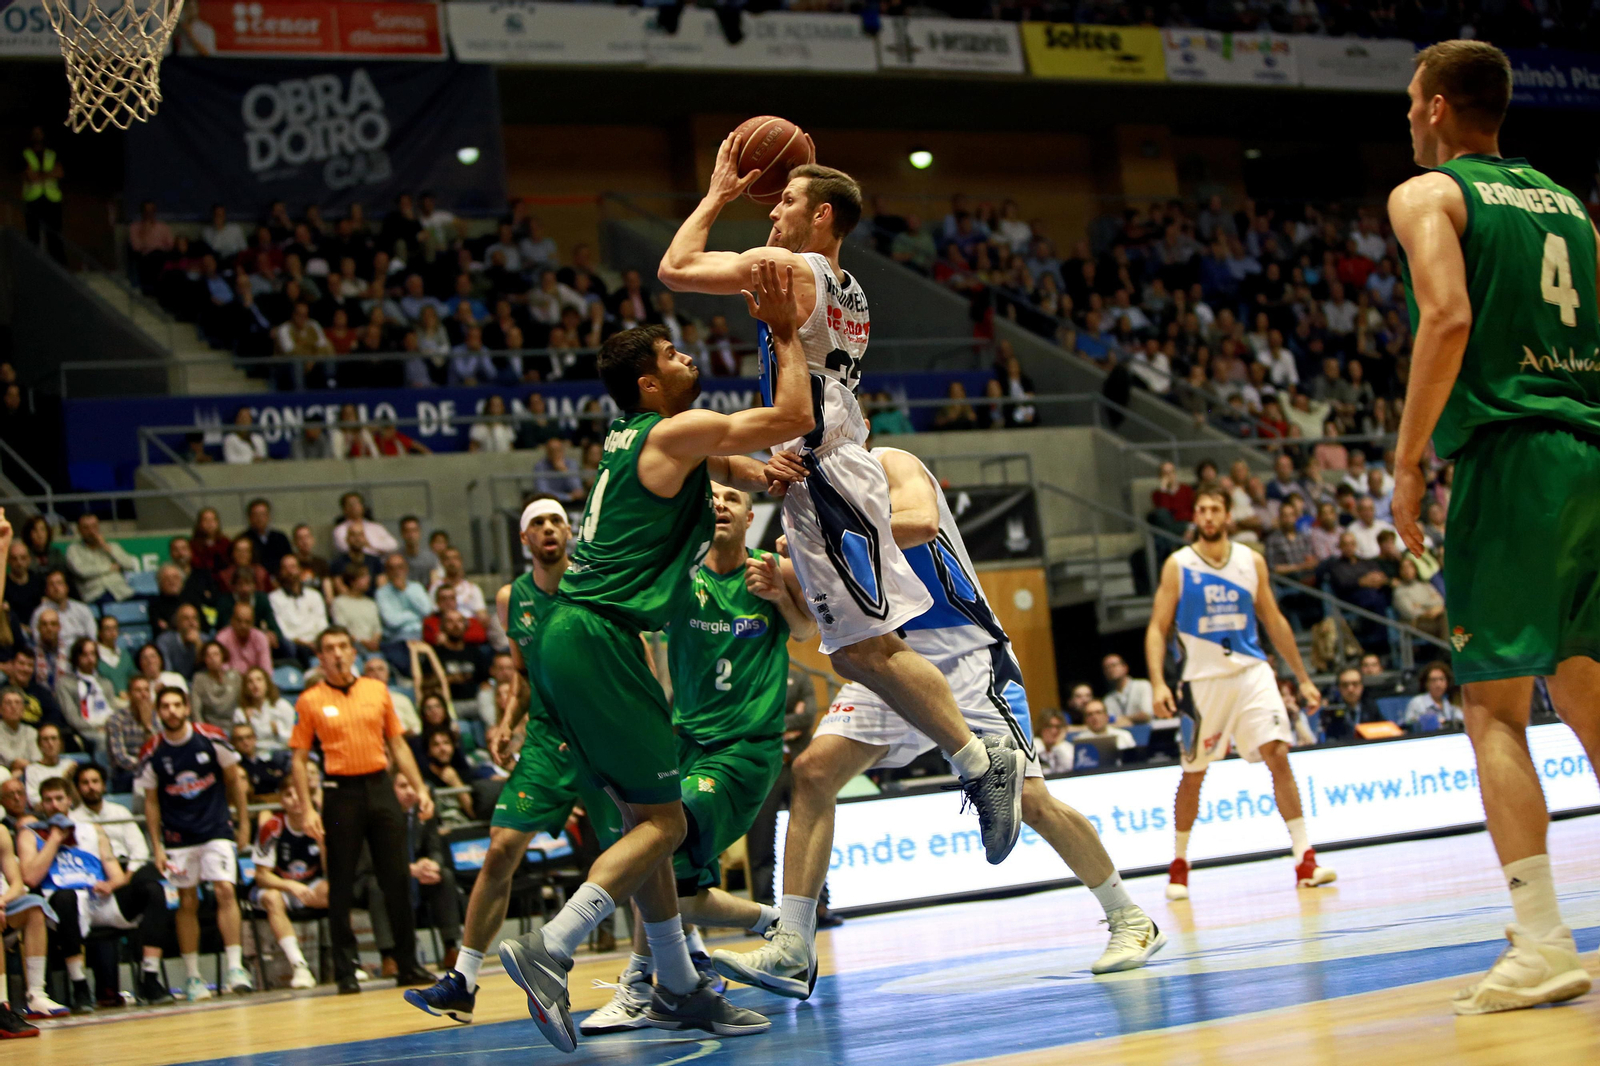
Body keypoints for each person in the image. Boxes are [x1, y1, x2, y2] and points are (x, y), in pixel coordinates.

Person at [660, 132, 1024, 904]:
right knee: (862, 651)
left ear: (822, 215)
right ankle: (973, 761)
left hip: (826, 471)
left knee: (867, 649)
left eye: (786, 199)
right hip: (826, 462)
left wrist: (721, 193)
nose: (773, 210)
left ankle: (978, 760)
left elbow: (676, 269)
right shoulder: (847, 285)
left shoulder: (794, 268)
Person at [498, 263, 836, 1051]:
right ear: (650, 384)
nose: (689, 359)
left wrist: (767, 473)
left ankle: (678, 986)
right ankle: (551, 946)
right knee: (666, 821)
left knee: (644, 816)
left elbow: (739, 468)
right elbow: (790, 412)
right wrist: (785, 330)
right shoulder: (676, 429)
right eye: (675, 355)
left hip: (569, 638)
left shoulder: (648, 443)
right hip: (598, 635)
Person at [715, 446, 1163, 998]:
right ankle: (793, 947)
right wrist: (789, 586)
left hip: (967, 657)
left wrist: (829, 538)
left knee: (1034, 802)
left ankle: (1129, 917)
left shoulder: (889, 463)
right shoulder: (806, 502)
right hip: (890, 660)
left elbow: (922, 523)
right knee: (812, 773)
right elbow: (812, 626)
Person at [1389, 42, 1600, 1016]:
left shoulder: (1428, 195)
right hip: (1589, 452)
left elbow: (1446, 316)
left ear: (1434, 107)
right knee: (1588, 688)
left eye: (1408, 104)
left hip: (1511, 462)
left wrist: (1404, 458)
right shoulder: (1566, 204)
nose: (1405, 119)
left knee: (1495, 708)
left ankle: (1542, 939)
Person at [586, 482, 814, 1032]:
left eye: (731, 497)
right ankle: (769, 925)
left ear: (749, 514)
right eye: (709, 497)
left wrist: (780, 599)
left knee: (657, 848)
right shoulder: (680, 574)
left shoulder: (773, 568)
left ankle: (640, 986)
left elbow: (808, 630)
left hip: (741, 749)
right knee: (667, 880)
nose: (719, 504)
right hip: (682, 742)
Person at [405, 500, 618, 1025]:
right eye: (537, 525)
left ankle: (681, 956)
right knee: (500, 849)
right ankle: (463, 979)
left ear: (569, 533)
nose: (548, 530)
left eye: (556, 522)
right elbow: (521, 674)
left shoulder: (593, 582)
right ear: (525, 540)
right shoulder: (511, 599)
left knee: (634, 853)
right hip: (546, 741)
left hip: (602, 736)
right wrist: (506, 722)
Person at [1146, 485, 1336, 902]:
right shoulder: (1178, 564)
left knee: (1278, 754)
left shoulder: (1252, 561)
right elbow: (1158, 627)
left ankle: (1305, 858)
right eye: (1201, 510)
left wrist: (1302, 677)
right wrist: (1159, 681)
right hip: (1202, 680)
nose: (1208, 516)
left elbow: (1275, 620)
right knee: (1194, 774)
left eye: (1214, 509)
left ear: (1229, 516)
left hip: (1252, 671)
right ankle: (1179, 863)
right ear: (1195, 517)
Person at [289, 625, 436, 993]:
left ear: (353, 652)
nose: (337, 653)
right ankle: (345, 970)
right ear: (320, 657)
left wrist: (419, 788)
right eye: (329, 649)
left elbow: (399, 745)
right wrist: (307, 808)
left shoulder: (377, 690)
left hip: (379, 786)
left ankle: (407, 964)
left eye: (343, 646)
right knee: (340, 880)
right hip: (340, 793)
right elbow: (298, 758)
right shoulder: (309, 699)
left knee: (397, 877)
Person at [137, 685, 254, 1001]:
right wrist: (157, 846)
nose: (172, 711)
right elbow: (150, 802)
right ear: (158, 712)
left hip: (216, 829)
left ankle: (235, 968)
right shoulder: (152, 751)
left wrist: (242, 824)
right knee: (186, 901)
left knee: (225, 890)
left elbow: (234, 782)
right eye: (165, 706)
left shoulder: (211, 737)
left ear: (187, 707)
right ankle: (192, 977)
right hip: (177, 837)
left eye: (177, 705)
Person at [18, 777, 129, 1014]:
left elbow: (117, 875)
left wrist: (110, 884)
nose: (55, 805)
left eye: (59, 798)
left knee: (149, 887)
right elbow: (30, 878)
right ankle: (79, 984)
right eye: (48, 800)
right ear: (42, 805)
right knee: (66, 898)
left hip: (96, 899)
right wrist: (55, 838)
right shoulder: (31, 834)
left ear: (69, 800)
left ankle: (151, 978)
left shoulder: (92, 830)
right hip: (57, 905)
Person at [69, 764, 173, 1007]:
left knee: (154, 888)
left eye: (95, 781)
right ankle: (81, 988)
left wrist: (120, 880)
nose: (91, 787)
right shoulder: (72, 821)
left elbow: (139, 852)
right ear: (77, 788)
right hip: (90, 892)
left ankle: (150, 978)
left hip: (124, 884)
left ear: (104, 785)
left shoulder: (120, 812)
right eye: (85, 782)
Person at [249, 781, 325, 989]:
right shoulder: (272, 827)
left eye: (299, 794)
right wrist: (290, 886)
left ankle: (349, 962)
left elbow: (330, 870)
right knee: (272, 899)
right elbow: (261, 876)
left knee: (336, 892)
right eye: (289, 795)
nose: (295, 800)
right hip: (278, 886)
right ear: (282, 801)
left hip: (311, 884)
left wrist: (322, 842)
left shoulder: (322, 822)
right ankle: (299, 966)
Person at [0, 820, 47, 1031]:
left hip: (3, 907)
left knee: (35, 909)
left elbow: (18, 884)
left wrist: (2, 900)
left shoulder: (1, 833)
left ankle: (37, 994)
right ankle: (1, 1007)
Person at [65, 513, 138, 604]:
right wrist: (110, 568)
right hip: (96, 595)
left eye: (94, 526)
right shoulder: (74, 550)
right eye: (86, 528)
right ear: (79, 530)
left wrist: (106, 547)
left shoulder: (112, 546)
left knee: (153, 601)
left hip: (122, 592)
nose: (91, 531)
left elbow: (130, 564)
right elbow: (82, 571)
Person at [270, 555, 328, 666]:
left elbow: (322, 624)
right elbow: (282, 630)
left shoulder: (314, 595)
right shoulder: (274, 598)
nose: (290, 572)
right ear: (280, 572)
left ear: (300, 570)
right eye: (285, 568)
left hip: (317, 641)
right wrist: (303, 643)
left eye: (292, 567)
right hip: (295, 645)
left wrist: (317, 642)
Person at [235, 666, 296, 752]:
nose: (255, 685)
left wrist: (278, 731)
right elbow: (239, 743)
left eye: (259, 680)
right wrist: (247, 724)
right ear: (245, 687)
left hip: (281, 751)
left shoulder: (283, 706)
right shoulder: (241, 712)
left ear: (267, 684)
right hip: (255, 755)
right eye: (250, 681)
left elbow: (296, 738)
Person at [1100, 653, 1153, 725]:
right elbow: (1108, 721)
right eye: (1107, 668)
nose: (1110, 670)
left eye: (1114, 665)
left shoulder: (1142, 685)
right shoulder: (1108, 699)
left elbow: (1146, 715)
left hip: (1147, 732)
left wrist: (1121, 719)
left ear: (1125, 668)